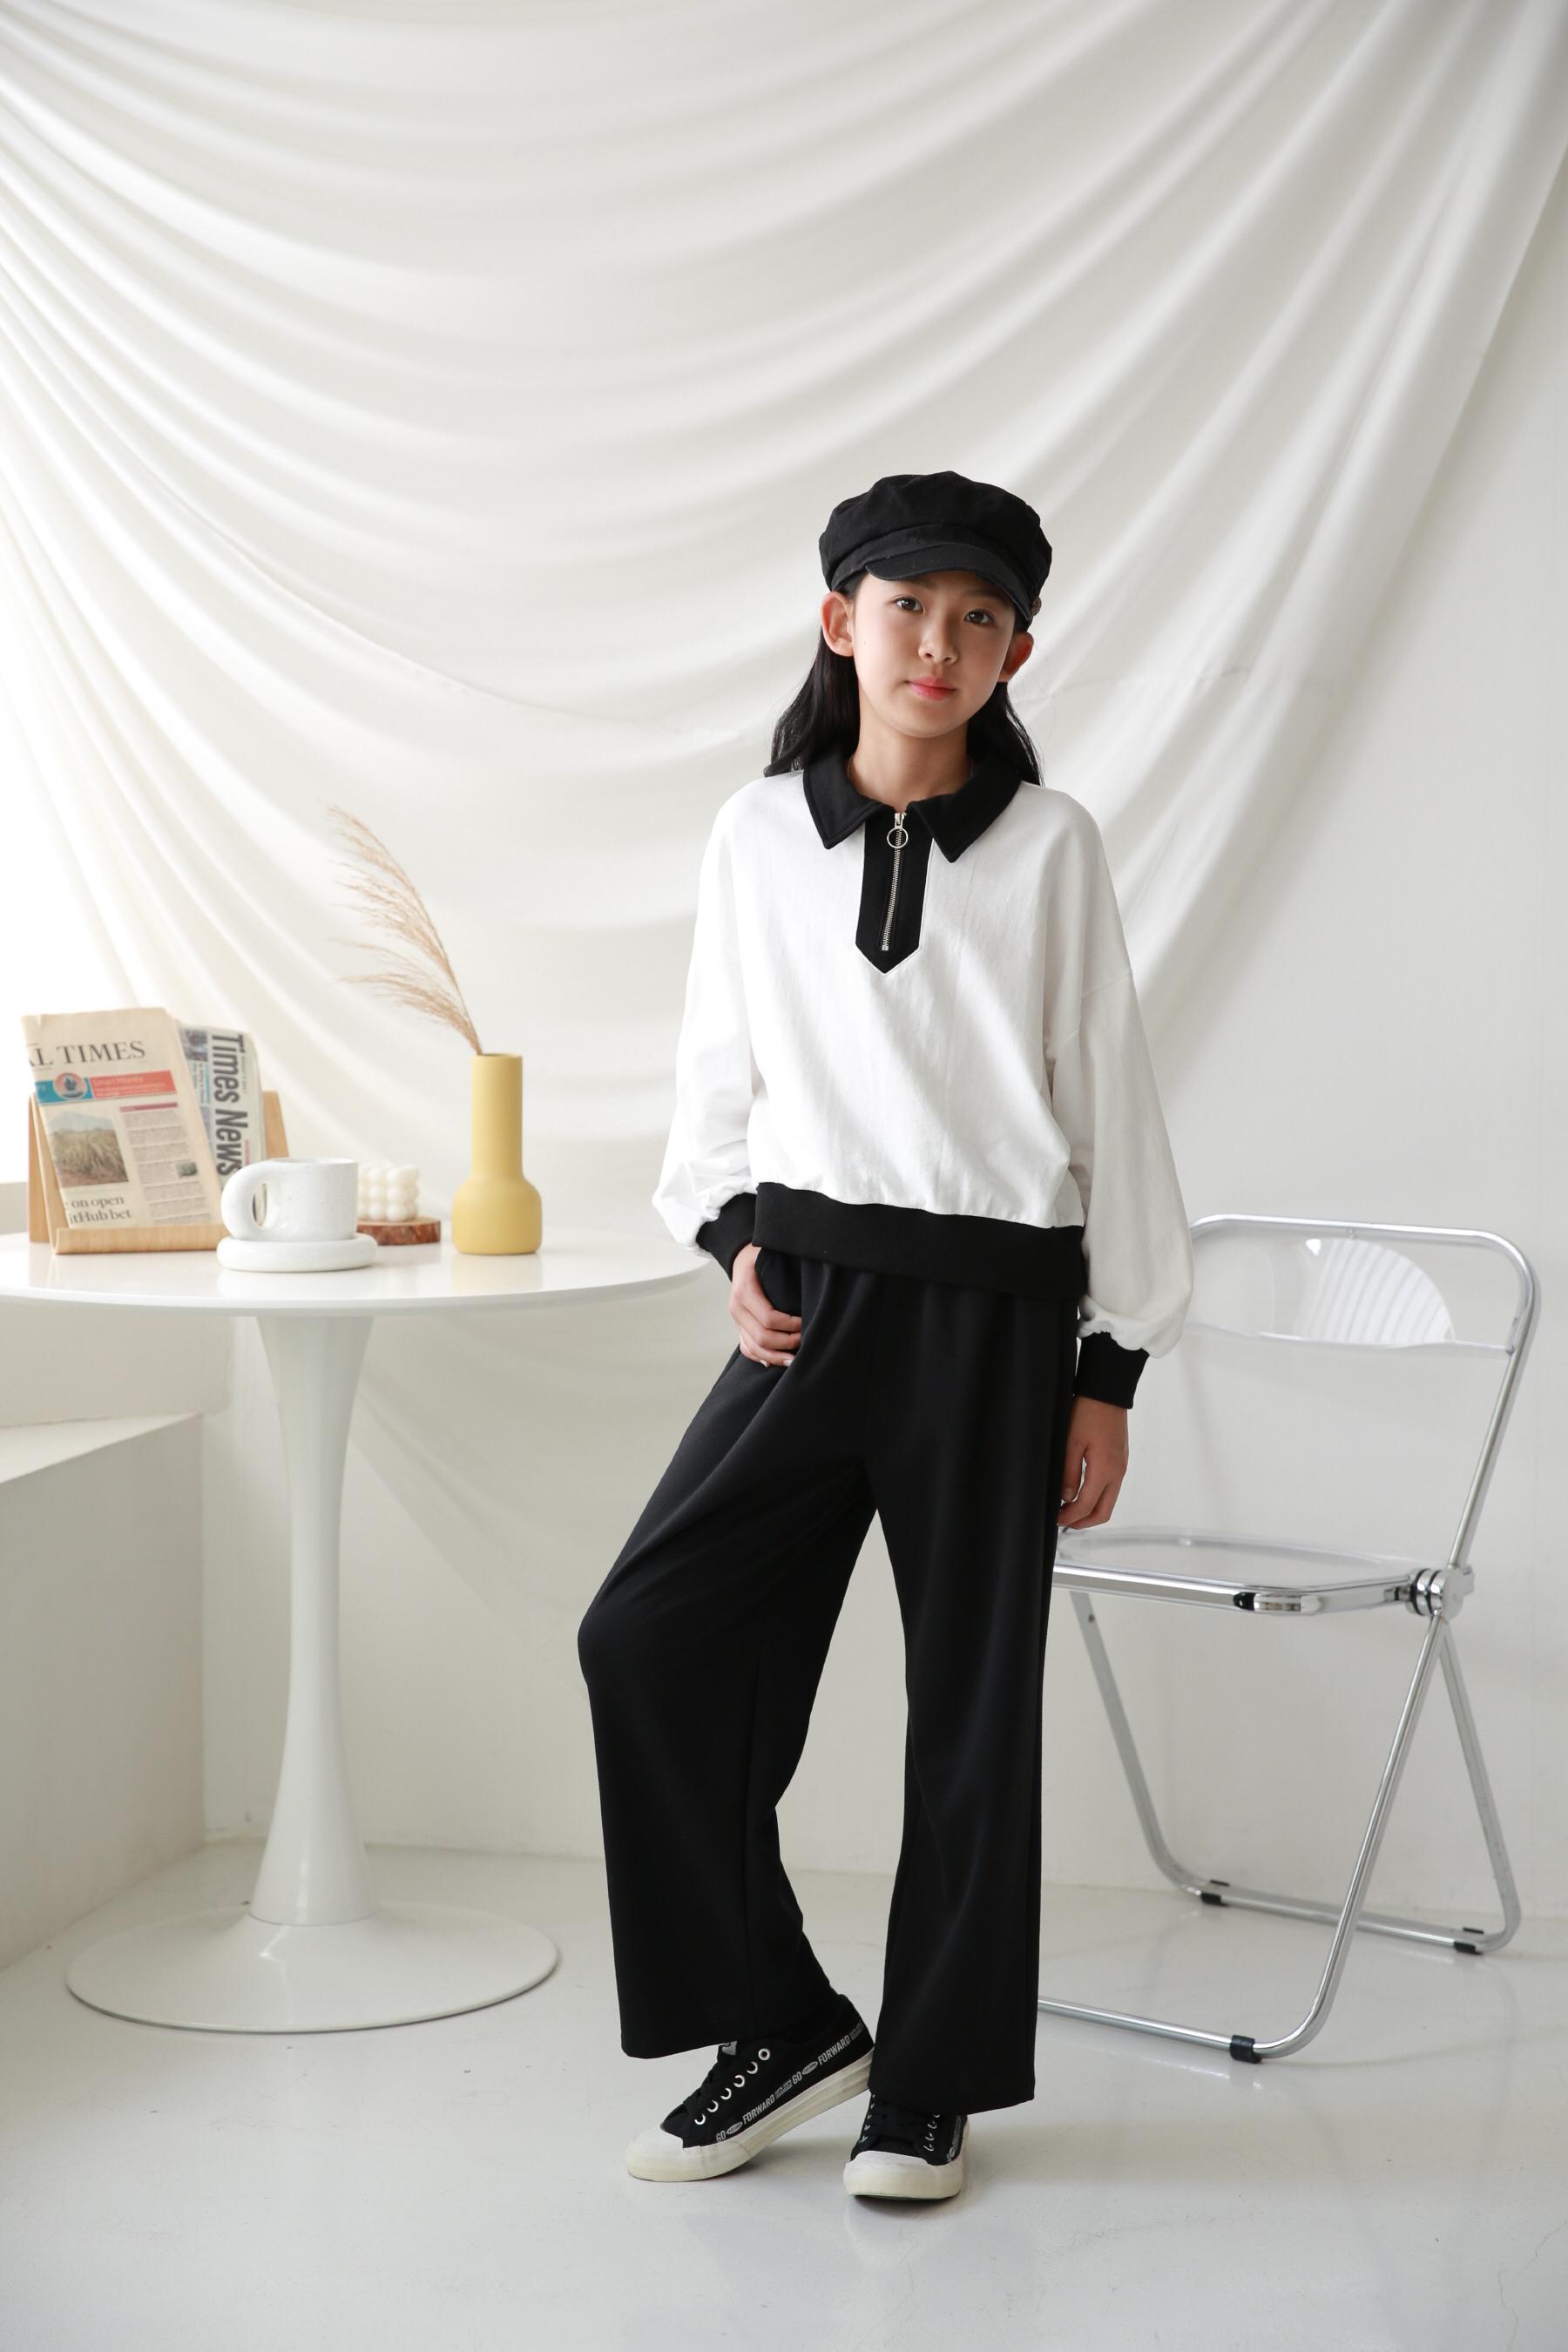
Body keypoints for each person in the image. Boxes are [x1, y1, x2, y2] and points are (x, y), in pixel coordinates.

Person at [577, 469, 1193, 2202]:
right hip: (806, 1308)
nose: (941, 642)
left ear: (1015, 654)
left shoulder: (1052, 847)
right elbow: (717, 1074)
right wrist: (730, 1238)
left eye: (981, 618)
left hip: (999, 1324)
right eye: (910, 606)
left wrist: (1111, 1371)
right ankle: (779, 2022)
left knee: (970, 1714)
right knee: (646, 1639)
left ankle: (927, 2081)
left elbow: (1114, 1107)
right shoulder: (754, 832)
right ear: (841, 621)